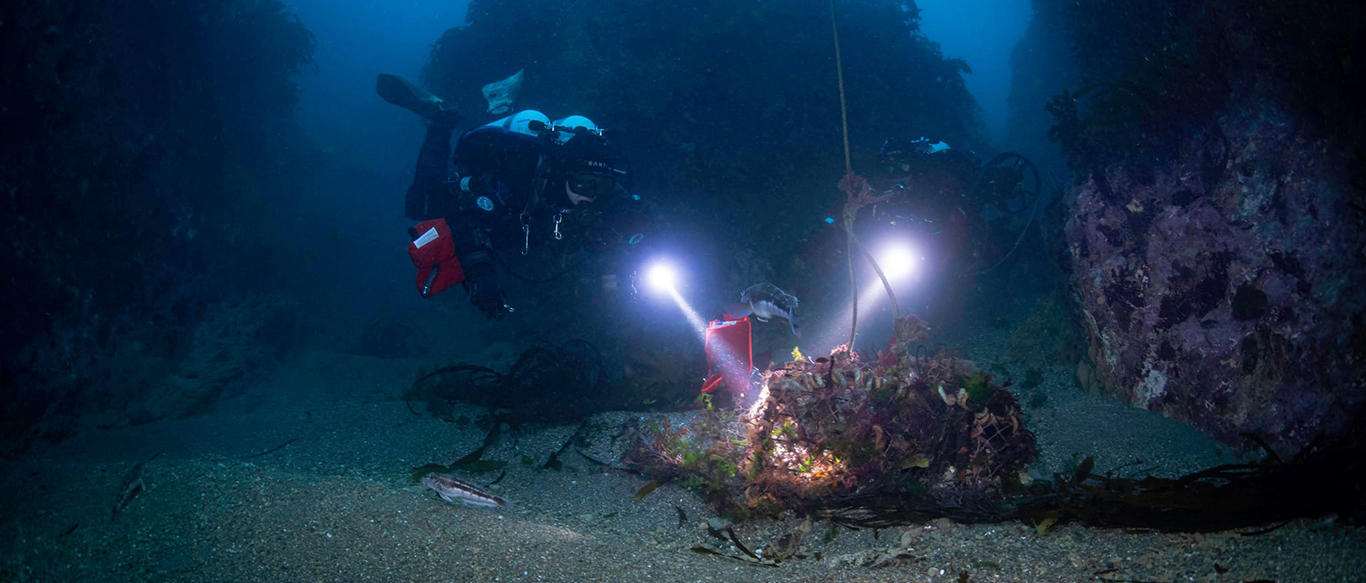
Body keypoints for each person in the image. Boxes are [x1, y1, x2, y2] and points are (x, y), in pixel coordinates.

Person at [377, 74, 650, 318]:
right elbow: (467, 218)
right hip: (500, 191)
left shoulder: (602, 190)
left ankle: (501, 105)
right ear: (564, 175)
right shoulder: (521, 181)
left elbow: (639, 225)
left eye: (599, 189)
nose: (589, 198)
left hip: (529, 217)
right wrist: (478, 270)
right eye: (581, 186)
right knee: (426, 203)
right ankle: (440, 115)